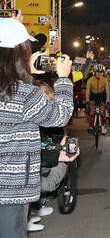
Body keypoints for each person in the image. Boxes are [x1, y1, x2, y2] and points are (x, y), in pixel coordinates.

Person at [0, 15, 73, 238]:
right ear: (19, 53)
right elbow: (60, 115)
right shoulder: (22, 92)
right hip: (9, 189)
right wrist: (63, 78)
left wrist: (26, 73)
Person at [85, 64, 110, 135]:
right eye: (98, 72)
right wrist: (87, 101)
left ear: (103, 73)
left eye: (101, 72)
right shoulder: (90, 80)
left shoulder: (105, 80)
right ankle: (91, 126)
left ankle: (103, 125)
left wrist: (107, 101)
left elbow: (107, 91)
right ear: (95, 72)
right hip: (93, 95)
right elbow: (87, 91)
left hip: (102, 95)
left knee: (102, 111)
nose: (99, 74)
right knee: (92, 110)